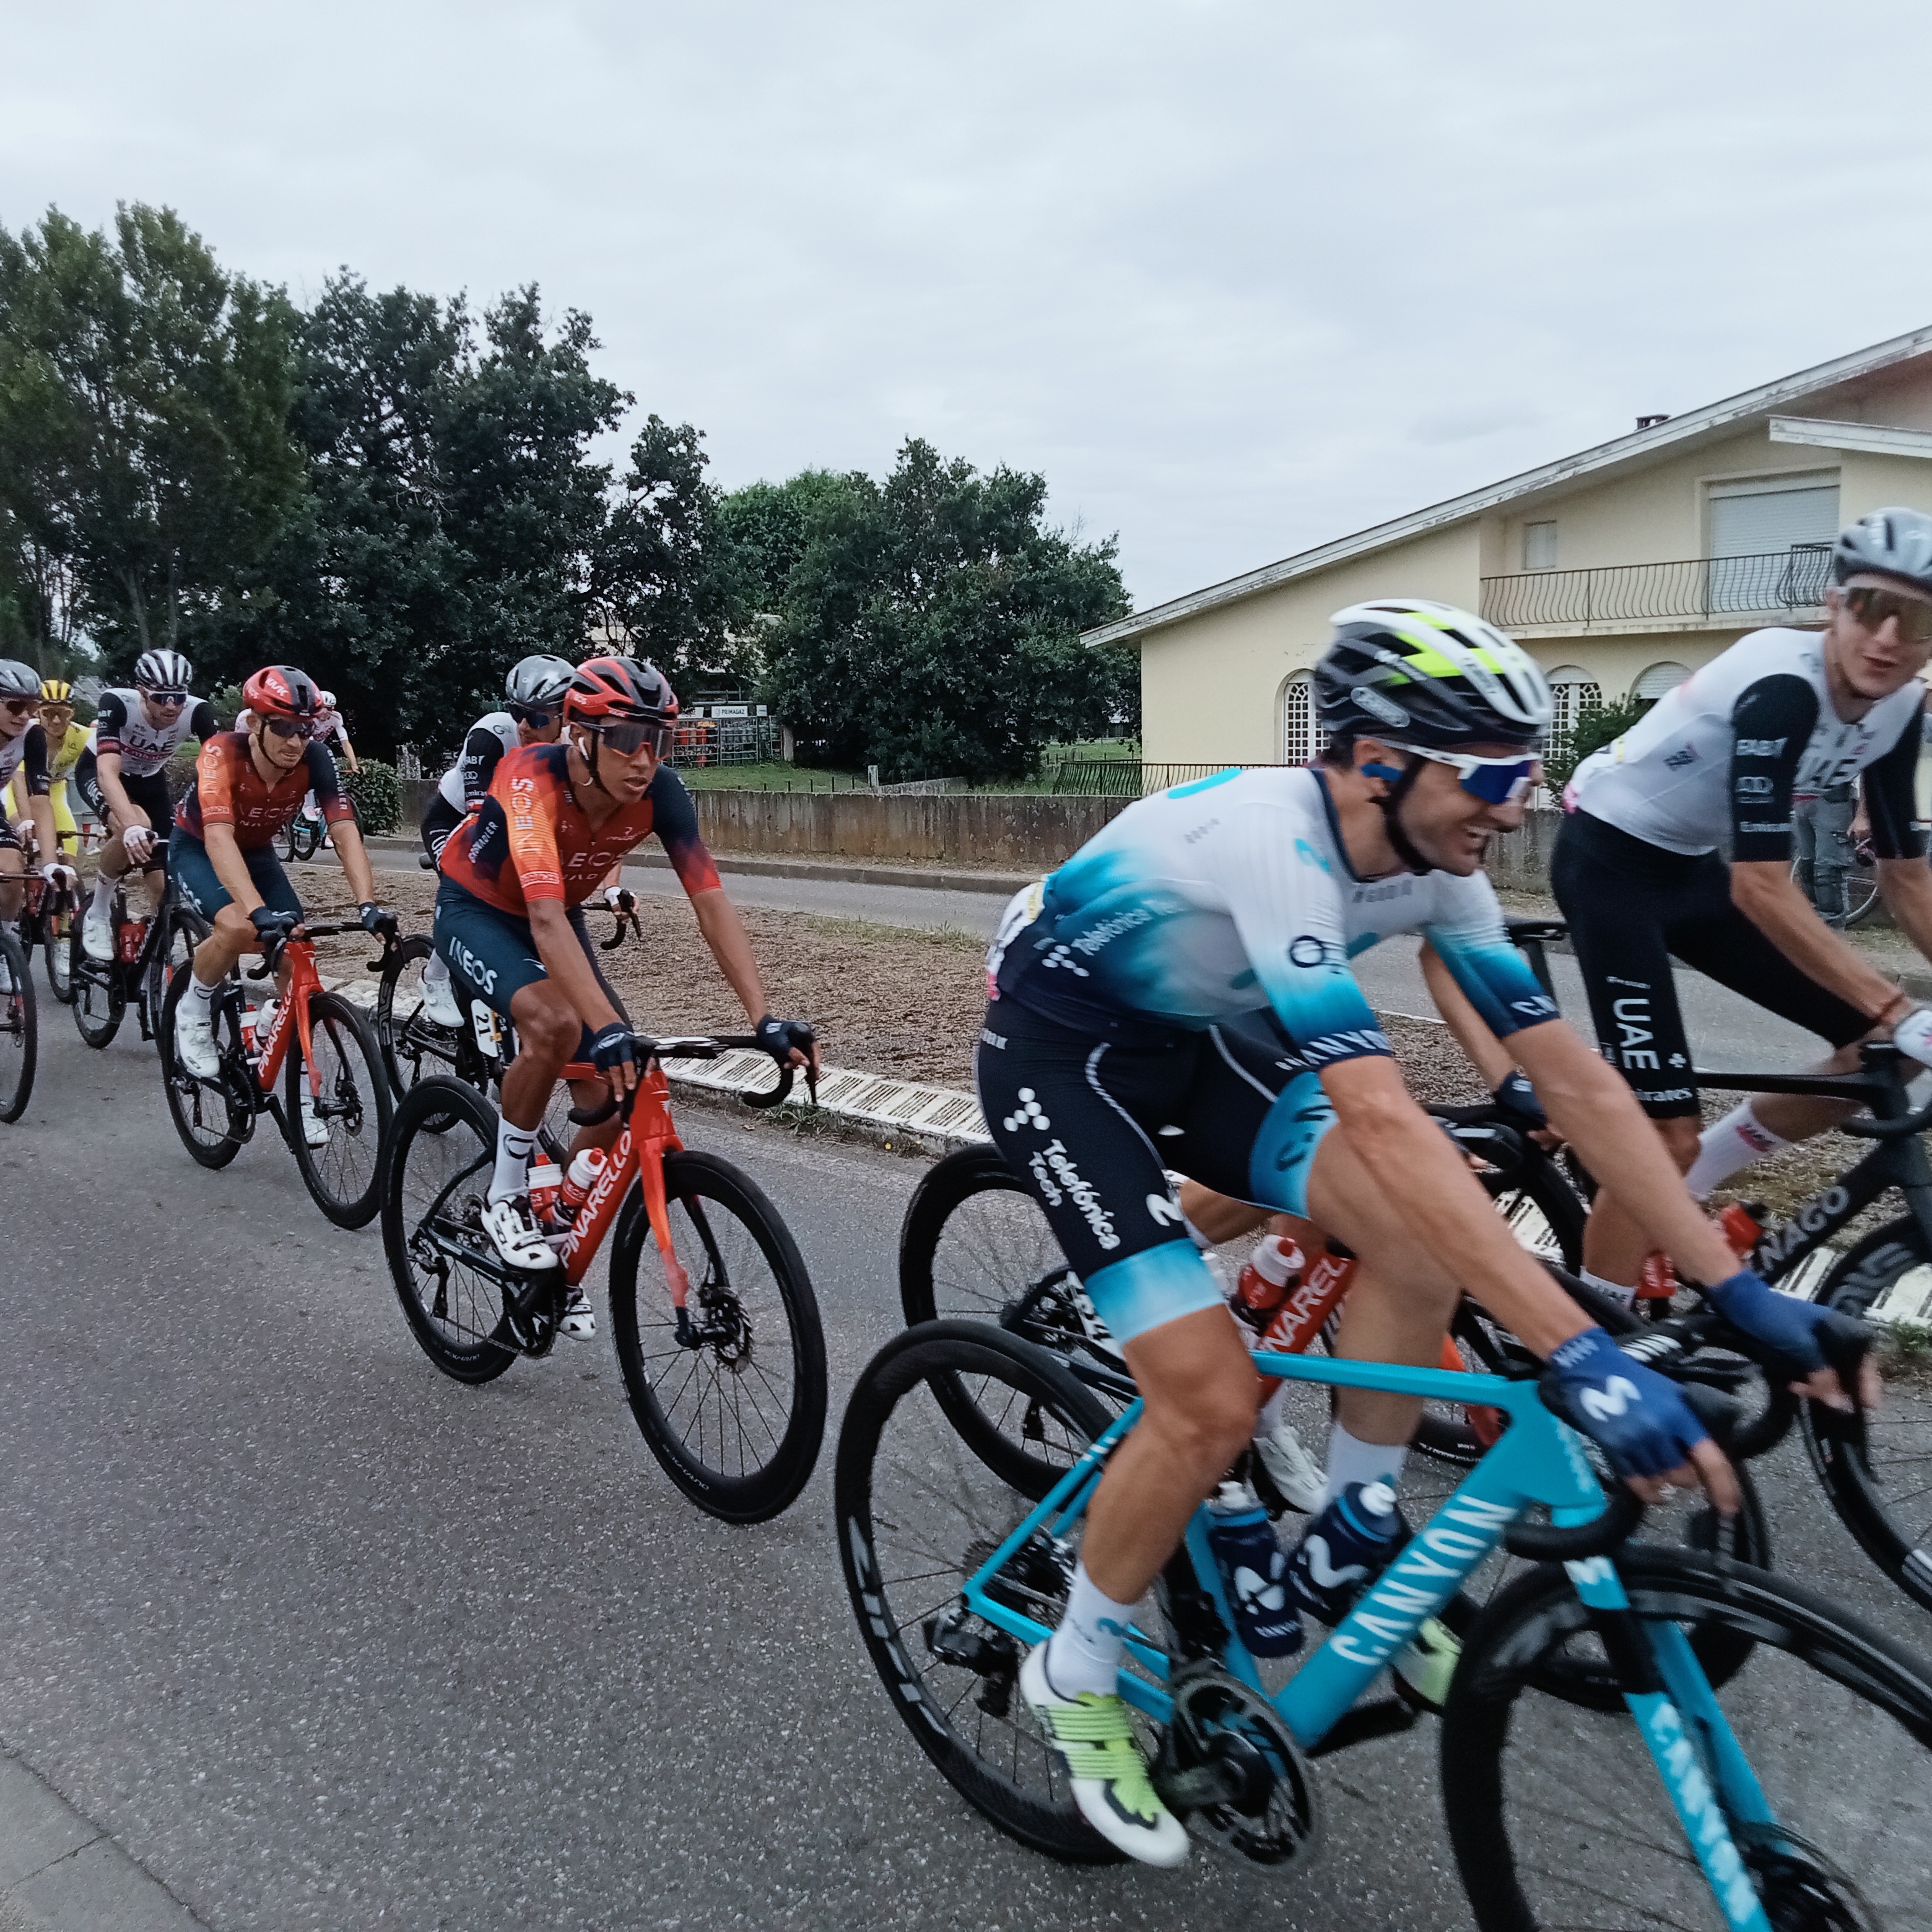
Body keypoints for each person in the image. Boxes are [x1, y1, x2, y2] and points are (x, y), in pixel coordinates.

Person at [977, 599, 1866, 1866]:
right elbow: (1382, 1119)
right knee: (1208, 1401)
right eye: (1494, 775)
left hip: (1199, 1040)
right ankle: (1075, 1668)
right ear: (1380, 761)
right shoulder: (1277, 840)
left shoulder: (1440, 871)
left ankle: (1354, 1530)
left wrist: (1738, 1291)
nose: (1517, 805)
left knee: (1413, 1231)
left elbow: (1577, 1082)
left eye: (1530, 774)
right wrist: (1578, 1353)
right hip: (1065, 1059)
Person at [1554, 508, 1932, 1303]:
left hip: (1692, 867)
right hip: (1608, 859)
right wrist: (1897, 1005)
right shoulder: (1783, 689)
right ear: (1834, 605)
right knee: (1664, 1137)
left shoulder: (1901, 709)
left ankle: (1684, 1191)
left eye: (1919, 619)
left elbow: (1905, 872)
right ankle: (1586, 1345)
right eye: (1871, 607)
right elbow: (1761, 885)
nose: (1889, 638)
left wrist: (1895, 1025)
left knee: (1883, 1052)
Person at [432, 654, 816, 1337]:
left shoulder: (660, 791)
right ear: (581, 736)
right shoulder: (529, 775)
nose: (645, 758)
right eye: (627, 739)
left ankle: (558, 1226)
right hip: (479, 909)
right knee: (554, 1023)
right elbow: (542, 918)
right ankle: (505, 1196)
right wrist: (605, 1025)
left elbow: (710, 900)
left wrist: (763, 1016)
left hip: (559, 913)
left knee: (620, 1083)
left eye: (658, 740)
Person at [168, 666, 394, 1145]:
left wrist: (368, 904)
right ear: (254, 723)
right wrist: (257, 911)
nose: (296, 741)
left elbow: (343, 830)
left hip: (258, 852)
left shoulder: (315, 758)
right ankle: (194, 1006)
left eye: (305, 729)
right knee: (238, 927)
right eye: (285, 727)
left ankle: (303, 1087)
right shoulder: (220, 753)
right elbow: (219, 838)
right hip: (200, 847)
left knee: (297, 951)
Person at [416, 653, 582, 1027]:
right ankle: (434, 975)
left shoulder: (575, 748)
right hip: (454, 822)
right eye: (517, 711)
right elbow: (478, 822)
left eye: (537, 718)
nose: (523, 725)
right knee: (473, 894)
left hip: (512, 826)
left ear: (565, 718)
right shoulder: (491, 734)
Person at [79, 650, 222, 962]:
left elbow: (220, 772)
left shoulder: (198, 711)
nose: (171, 706)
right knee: (134, 827)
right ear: (142, 692)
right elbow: (107, 773)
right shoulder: (118, 704)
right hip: (102, 773)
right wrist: (129, 826)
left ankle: (151, 963)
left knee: (162, 883)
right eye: (160, 698)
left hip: (151, 781)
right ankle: (98, 911)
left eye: (178, 697)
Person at [0, 661, 76, 970]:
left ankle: (4, 946)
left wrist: (50, 863)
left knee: (11, 871)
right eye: (15, 706)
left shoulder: (31, 735)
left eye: (31, 707)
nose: (24, 715)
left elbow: (41, 800)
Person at [4, 680, 89, 858]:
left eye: (63, 714)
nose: (56, 721)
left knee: (69, 852)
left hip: (54, 791)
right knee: (24, 833)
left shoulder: (83, 736)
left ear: (72, 714)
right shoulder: (27, 732)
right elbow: (19, 779)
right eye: (48, 713)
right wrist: (27, 820)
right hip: (16, 791)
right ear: (38, 713)